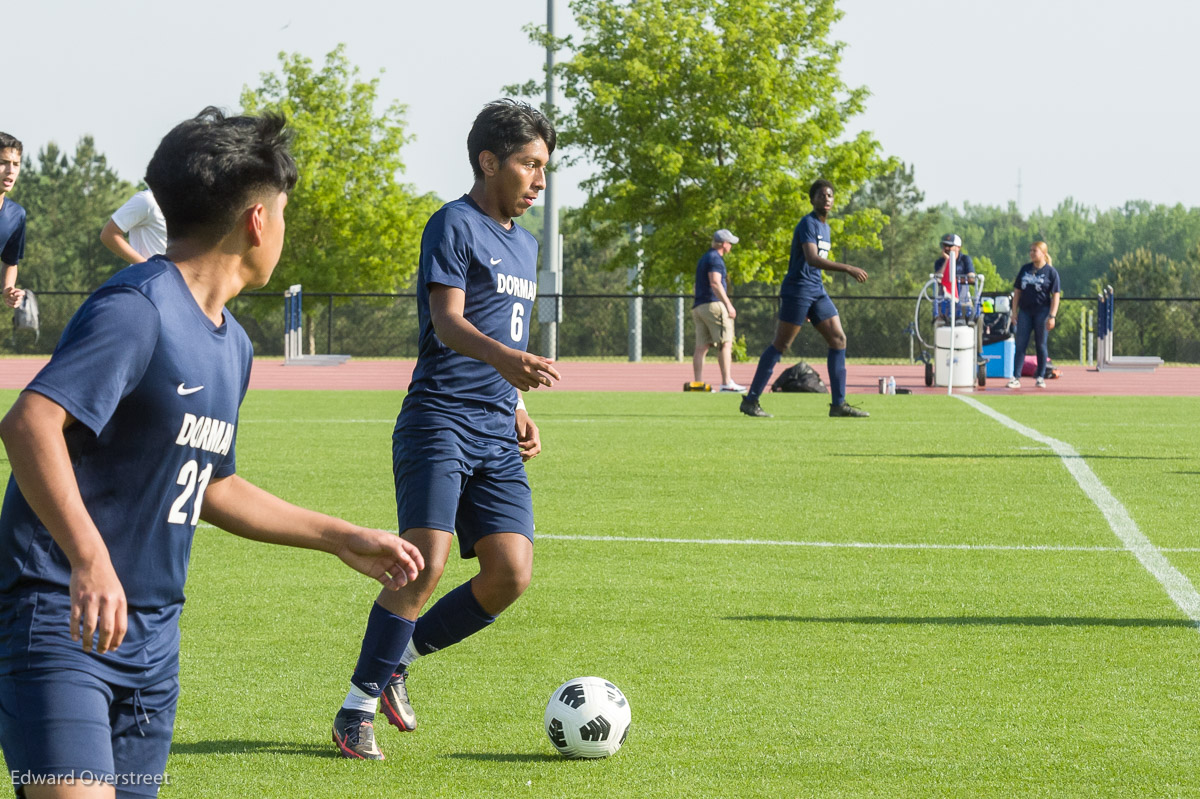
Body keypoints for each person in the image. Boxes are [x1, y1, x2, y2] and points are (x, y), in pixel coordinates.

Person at [0, 108, 424, 796]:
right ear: (257, 220)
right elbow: (29, 423)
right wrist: (88, 555)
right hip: (60, 618)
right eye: (283, 210)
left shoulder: (234, 344)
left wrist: (338, 536)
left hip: (152, 640)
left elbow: (212, 483)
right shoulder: (138, 307)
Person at [332, 99, 559, 760]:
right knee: (421, 562)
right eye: (529, 164)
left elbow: (503, 333)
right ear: (489, 160)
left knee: (510, 573)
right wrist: (509, 362)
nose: (539, 180)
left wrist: (515, 401)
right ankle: (355, 710)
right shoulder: (453, 224)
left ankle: (398, 658)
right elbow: (450, 322)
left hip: (495, 428)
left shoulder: (526, 242)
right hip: (438, 420)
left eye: (545, 166)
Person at [739, 179, 869, 418]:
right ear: (812, 200)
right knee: (781, 345)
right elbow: (812, 259)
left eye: (830, 195)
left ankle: (838, 405)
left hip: (816, 290)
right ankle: (751, 400)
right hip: (798, 290)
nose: (827, 199)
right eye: (821, 195)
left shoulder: (825, 228)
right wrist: (848, 268)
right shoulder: (807, 223)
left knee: (839, 339)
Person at [692, 229, 745, 392]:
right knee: (725, 343)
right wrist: (728, 304)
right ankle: (726, 383)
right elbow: (715, 283)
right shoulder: (716, 259)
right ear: (723, 244)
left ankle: (698, 384)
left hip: (699, 306)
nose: (731, 246)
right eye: (729, 243)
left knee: (701, 347)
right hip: (713, 305)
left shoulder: (704, 258)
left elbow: (696, 285)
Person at [1008, 240, 1061, 389]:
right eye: (1030, 251)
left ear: (1043, 253)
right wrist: (1014, 312)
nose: (1031, 253)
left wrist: (1052, 316)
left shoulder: (1050, 272)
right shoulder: (1025, 269)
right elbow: (1017, 292)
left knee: (1041, 344)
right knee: (1021, 344)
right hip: (1025, 311)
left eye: (1034, 251)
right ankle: (1015, 377)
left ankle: (1040, 376)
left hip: (1042, 312)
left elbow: (1056, 295)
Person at [101, 189, 168, 263]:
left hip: (176, 273)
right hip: (148, 273)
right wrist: (146, 267)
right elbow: (109, 234)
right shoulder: (147, 200)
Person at [0, 132, 27, 309]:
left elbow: (10, 261)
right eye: (3, 163)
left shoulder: (16, 215)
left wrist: (8, 289)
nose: (11, 170)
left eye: (16, 164)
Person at [933, 233, 975, 318]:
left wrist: (954, 280)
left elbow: (971, 278)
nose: (946, 248)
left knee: (968, 321)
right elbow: (938, 278)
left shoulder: (965, 260)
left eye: (950, 246)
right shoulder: (939, 262)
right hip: (944, 301)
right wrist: (947, 260)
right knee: (940, 323)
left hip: (963, 300)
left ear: (958, 247)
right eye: (945, 245)